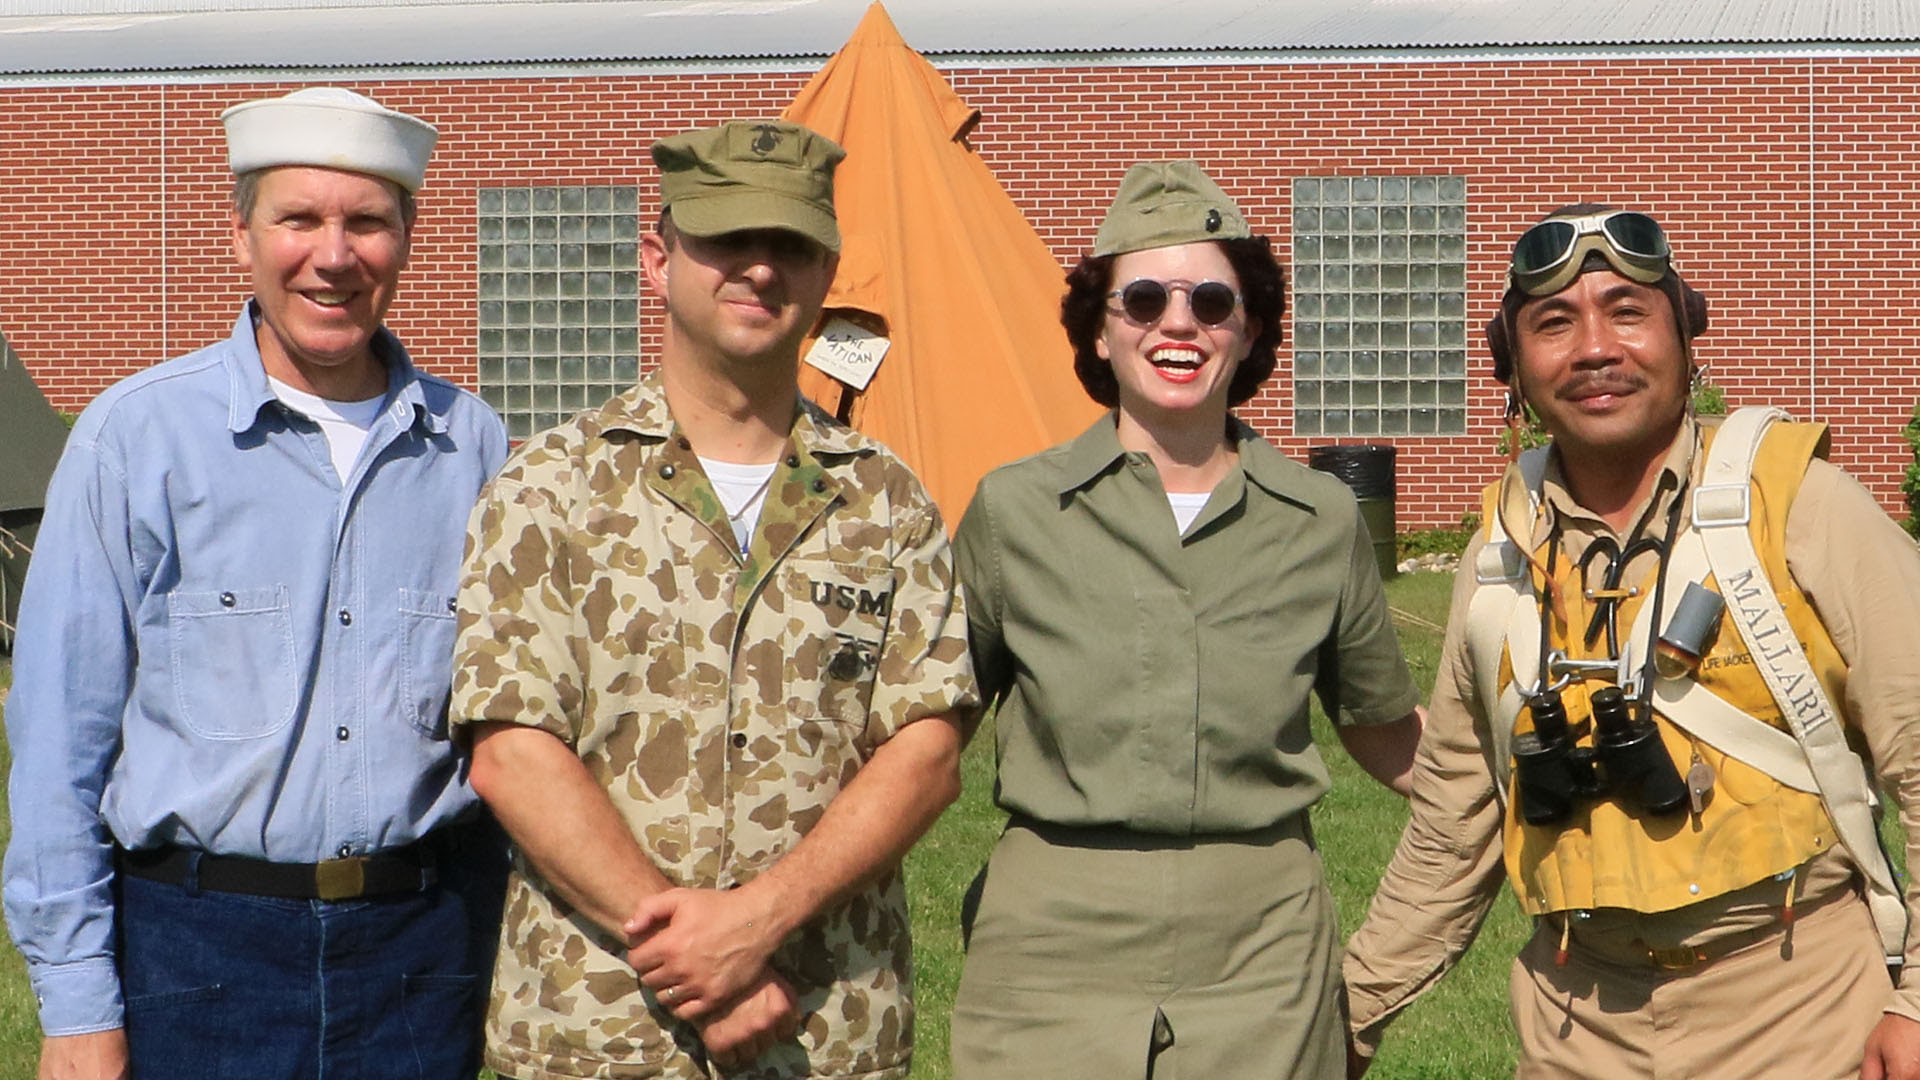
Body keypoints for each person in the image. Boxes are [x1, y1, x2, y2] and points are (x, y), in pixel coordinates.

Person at [450, 119, 979, 1080]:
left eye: (790, 246)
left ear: (826, 274)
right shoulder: (549, 491)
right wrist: (707, 966)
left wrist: (756, 922)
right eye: (728, 241)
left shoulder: (887, 501)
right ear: (659, 259)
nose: (760, 270)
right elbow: (512, 751)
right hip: (597, 1030)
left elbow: (928, 750)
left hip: (823, 1032)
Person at [1343, 204, 1920, 1080]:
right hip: (1577, 1025)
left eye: (1627, 312)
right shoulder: (1499, 556)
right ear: (1512, 366)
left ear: (1686, 338)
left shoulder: (1801, 506)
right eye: (1553, 324)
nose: (1594, 351)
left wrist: (1915, 1001)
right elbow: (1449, 835)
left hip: (1805, 1010)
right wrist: (1345, 1020)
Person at [3, 86, 509, 1080]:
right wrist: (76, 1010)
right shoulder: (136, 440)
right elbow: (60, 741)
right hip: (198, 957)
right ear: (240, 237)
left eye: (366, 220)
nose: (333, 253)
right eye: (299, 219)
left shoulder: (473, 449)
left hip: (422, 955)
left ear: (407, 239)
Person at [945, 160, 1424, 1080]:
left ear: (1250, 331)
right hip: (1048, 950)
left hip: (1261, 955)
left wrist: (1540, 786)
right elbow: (932, 733)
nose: (1179, 322)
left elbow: (1386, 731)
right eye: (1144, 299)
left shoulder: (1321, 518)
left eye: (1212, 299)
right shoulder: (1013, 512)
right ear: (1097, 329)